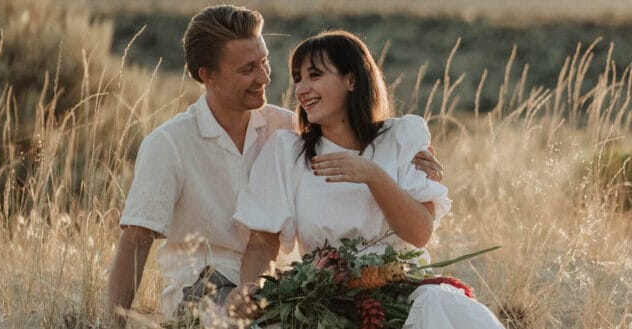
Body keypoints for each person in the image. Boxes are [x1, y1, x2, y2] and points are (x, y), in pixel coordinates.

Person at [106, 5, 444, 327]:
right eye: (247, 69)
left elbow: (351, 127)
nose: (265, 77)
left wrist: (407, 157)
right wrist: (111, 324)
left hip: (275, 287)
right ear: (207, 76)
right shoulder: (169, 143)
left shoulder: (286, 129)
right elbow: (136, 239)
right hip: (204, 285)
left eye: (264, 61)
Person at [232, 30, 505, 328]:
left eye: (314, 75)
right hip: (326, 302)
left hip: (404, 293)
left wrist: (372, 175)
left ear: (352, 80)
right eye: (297, 78)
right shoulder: (288, 151)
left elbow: (419, 233)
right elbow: (262, 242)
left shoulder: (401, 137)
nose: (301, 89)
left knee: (438, 305)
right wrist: (250, 290)